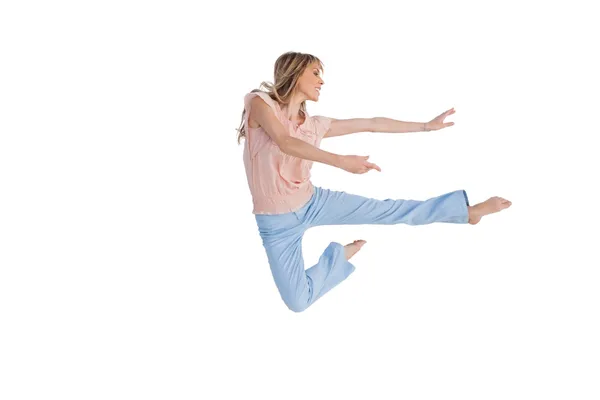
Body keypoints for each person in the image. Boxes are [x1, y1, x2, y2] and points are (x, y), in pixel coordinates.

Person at [236, 51, 512, 313]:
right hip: (276, 223)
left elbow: (372, 123)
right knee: (298, 301)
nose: (322, 80)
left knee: (390, 210)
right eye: (316, 72)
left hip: (313, 202)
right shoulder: (259, 103)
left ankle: (466, 212)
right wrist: (340, 161)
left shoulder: (315, 124)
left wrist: (426, 126)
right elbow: (285, 142)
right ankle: (339, 258)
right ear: (296, 74)